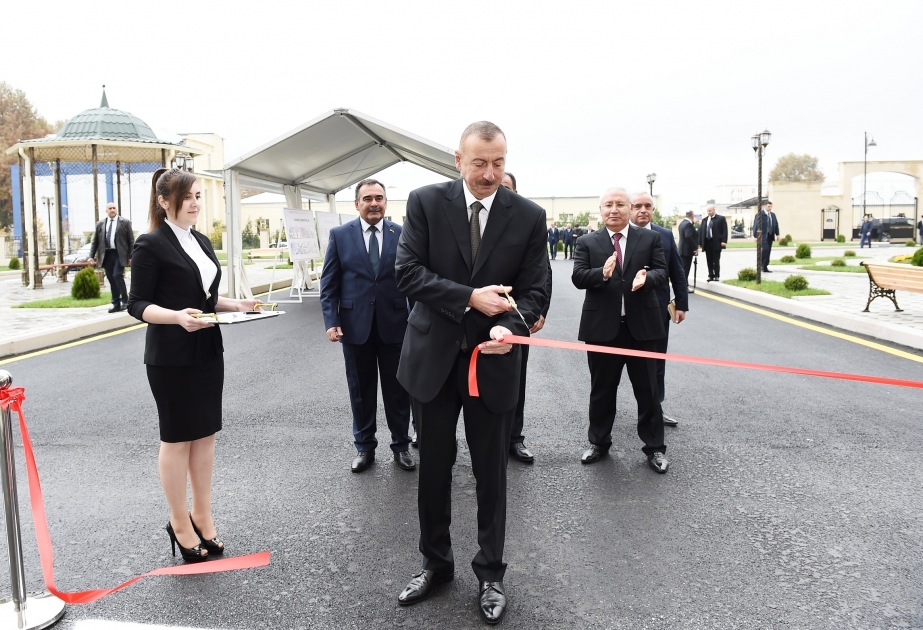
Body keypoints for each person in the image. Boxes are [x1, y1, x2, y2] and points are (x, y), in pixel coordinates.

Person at [394, 121, 547, 625]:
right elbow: (408, 272)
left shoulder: (527, 215)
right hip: (433, 362)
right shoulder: (424, 202)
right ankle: (436, 565)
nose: (489, 173)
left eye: (498, 163)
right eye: (479, 163)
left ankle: (491, 573)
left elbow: (535, 289)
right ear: (457, 159)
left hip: (493, 363)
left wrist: (509, 326)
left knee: (490, 475)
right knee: (433, 470)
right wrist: (469, 298)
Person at [127, 168, 258, 563]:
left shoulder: (200, 240)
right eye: (188, 197)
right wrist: (177, 317)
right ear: (164, 201)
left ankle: (202, 514)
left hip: (206, 350)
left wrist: (235, 304)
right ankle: (179, 522)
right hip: (170, 356)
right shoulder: (150, 244)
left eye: (199, 196)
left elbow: (205, 297)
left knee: (204, 436)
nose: (196, 204)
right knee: (177, 438)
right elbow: (137, 305)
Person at [572, 187, 669, 474]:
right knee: (602, 390)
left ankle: (655, 449)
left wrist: (646, 278)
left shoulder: (649, 238)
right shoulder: (588, 242)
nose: (613, 210)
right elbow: (578, 276)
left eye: (619, 204)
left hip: (642, 328)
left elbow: (662, 272)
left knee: (648, 391)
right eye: (607, 205)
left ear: (629, 209)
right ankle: (598, 443)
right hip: (603, 329)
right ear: (600, 211)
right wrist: (601, 274)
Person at [320, 179, 414, 473]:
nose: (374, 203)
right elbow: (329, 283)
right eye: (368, 198)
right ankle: (364, 448)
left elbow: (414, 280)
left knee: (398, 391)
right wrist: (331, 321)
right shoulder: (339, 235)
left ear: (386, 202)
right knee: (360, 391)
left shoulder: (402, 234)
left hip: (396, 325)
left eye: (380, 198)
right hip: (354, 326)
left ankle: (401, 446)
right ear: (357, 203)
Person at [501, 172, 553, 464]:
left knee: (514, 381)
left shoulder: (528, 223)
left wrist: (541, 310)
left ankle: (514, 438)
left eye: (507, 188)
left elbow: (543, 274)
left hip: (517, 319)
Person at [629, 192, 688, 428]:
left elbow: (677, 270)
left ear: (653, 210)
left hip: (658, 309)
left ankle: (655, 407)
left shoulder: (664, 234)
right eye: (638, 206)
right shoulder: (621, 234)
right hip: (627, 310)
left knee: (656, 361)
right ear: (630, 209)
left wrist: (681, 303)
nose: (643, 210)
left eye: (648, 206)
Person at [88, 202, 134, 312]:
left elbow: (131, 240)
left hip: (119, 254)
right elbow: (95, 241)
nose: (112, 210)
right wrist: (91, 256)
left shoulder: (125, 222)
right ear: (106, 211)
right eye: (110, 208)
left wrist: (131, 256)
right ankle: (116, 303)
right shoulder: (100, 224)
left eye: (114, 208)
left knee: (117, 275)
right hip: (106, 255)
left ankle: (125, 300)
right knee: (111, 279)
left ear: (116, 209)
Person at [698, 204, 727, 282]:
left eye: (710, 211)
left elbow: (724, 230)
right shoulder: (705, 220)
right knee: (709, 259)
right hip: (707, 242)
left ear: (714, 210)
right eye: (707, 211)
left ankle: (717, 275)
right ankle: (710, 275)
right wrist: (700, 242)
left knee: (716, 260)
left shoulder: (721, 219)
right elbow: (701, 232)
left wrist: (724, 241)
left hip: (716, 242)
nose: (708, 212)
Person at [752, 201, 779, 272]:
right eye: (768, 206)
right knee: (765, 250)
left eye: (771, 206)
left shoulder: (773, 215)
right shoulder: (760, 214)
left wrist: (777, 234)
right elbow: (755, 225)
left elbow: (776, 225)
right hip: (763, 236)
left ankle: (765, 266)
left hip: (770, 236)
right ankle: (761, 265)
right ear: (765, 206)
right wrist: (755, 236)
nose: (770, 208)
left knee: (768, 251)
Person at [677, 210, 698, 282]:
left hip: (682, 250)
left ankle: (684, 285)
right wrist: (695, 247)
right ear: (692, 216)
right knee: (685, 270)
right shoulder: (688, 224)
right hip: (687, 251)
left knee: (683, 269)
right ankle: (684, 286)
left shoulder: (682, 223)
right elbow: (688, 236)